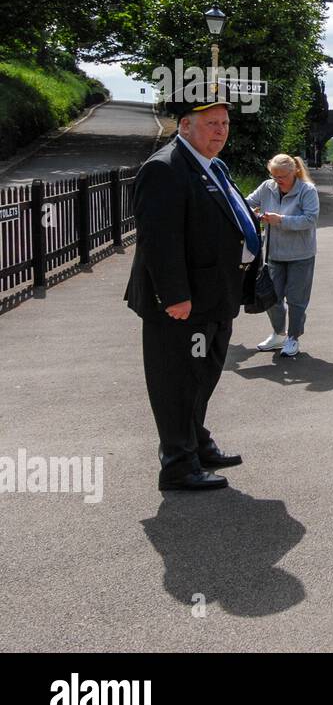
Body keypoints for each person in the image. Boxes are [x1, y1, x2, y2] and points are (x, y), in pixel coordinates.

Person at [124, 95, 260, 491]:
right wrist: (174, 296)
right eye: (211, 124)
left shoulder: (212, 165)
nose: (220, 132)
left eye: (225, 124)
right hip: (184, 303)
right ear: (186, 126)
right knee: (178, 380)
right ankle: (178, 465)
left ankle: (195, 442)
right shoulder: (165, 168)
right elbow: (159, 240)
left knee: (202, 375)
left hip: (216, 295)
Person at [246, 154, 320, 358]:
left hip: (301, 255)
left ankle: (293, 337)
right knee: (271, 298)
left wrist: (281, 220)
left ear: (294, 172)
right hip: (274, 253)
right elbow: (247, 203)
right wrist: (250, 211)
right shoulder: (267, 187)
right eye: (273, 175)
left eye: (281, 177)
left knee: (297, 300)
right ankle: (279, 333)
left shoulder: (307, 190)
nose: (277, 181)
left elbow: (310, 219)